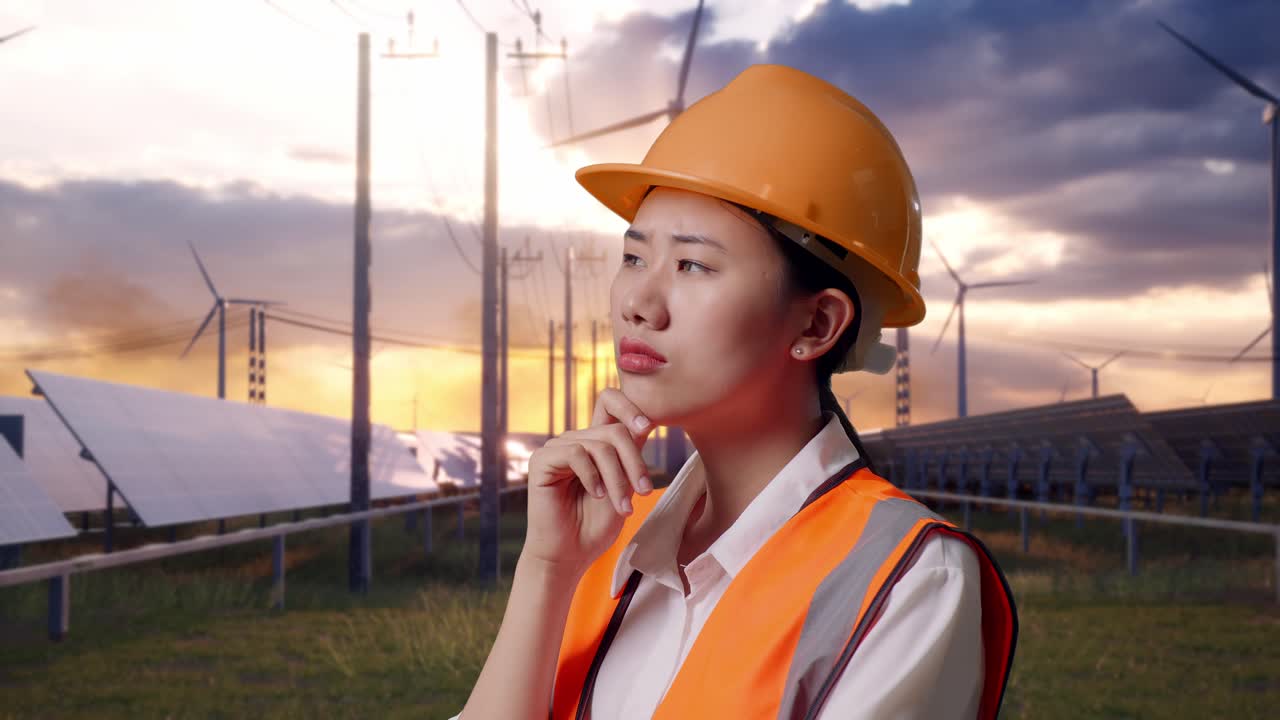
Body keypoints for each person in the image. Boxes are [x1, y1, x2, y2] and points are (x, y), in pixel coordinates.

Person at [452, 64, 1016, 720]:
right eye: (634, 258)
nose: (638, 302)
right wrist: (547, 569)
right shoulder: (608, 537)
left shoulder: (910, 578)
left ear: (816, 324)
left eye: (693, 265)